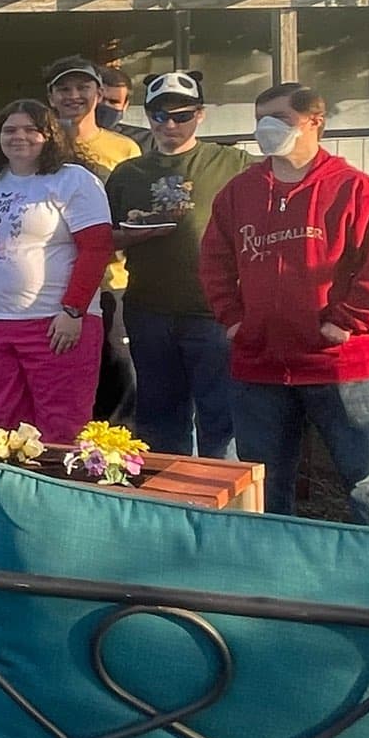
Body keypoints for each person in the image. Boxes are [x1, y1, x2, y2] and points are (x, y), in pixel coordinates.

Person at [199, 82, 369, 525]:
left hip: (339, 365)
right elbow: (214, 262)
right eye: (259, 121)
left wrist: (346, 323)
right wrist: (234, 321)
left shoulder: (354, 189)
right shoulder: (239, 192)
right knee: (264, 484)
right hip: (260, 363)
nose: (266, 130)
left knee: (366, 478)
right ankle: (270, 576)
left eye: (279, 119)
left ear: (315, 121)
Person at [105, 72, 251, 458]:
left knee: (223, 418)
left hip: (214, 312)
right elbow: (104, 239)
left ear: (200, 115)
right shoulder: (127, 173)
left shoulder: (232, 161)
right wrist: (132, 235)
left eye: (182, 115)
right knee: (159, 417)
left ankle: (225, 507)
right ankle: (169, 502)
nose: (170, 124)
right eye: (159, 115)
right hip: (148, 309)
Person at [0, 100, 113, 445]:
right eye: (10, 130)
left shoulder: (74, 180)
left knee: (61, 428)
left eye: (32, 129)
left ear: (51, 135)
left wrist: (73, 310)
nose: (20, 137)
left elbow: (96, 249)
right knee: (3, 428)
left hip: (53, 322)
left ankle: (56, 496)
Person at [46, 55, 142, 423]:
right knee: (63, 381)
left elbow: (132, 217)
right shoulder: (38, 147)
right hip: (52, 287)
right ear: (51, 96)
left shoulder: (125, 149)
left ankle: (116, 463)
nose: (73, 96)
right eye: (64, 89)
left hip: (110, 284)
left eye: (82, 87)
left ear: (99, 93)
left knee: (120, 377)